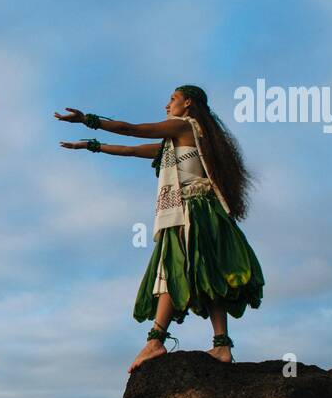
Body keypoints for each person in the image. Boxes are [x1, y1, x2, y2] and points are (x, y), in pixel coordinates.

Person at [55, 85, 265, 372]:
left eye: (173, 99)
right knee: (211, 273)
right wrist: (91, 145)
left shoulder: (182, 127)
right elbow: (130, 150)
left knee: (171, 267)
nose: (167, 105)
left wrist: (88, 119)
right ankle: (222, 345)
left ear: (188, 103)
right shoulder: (188, 140)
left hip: (190, 212)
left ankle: (155, 341)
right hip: (207, 212)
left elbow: (131, 130)